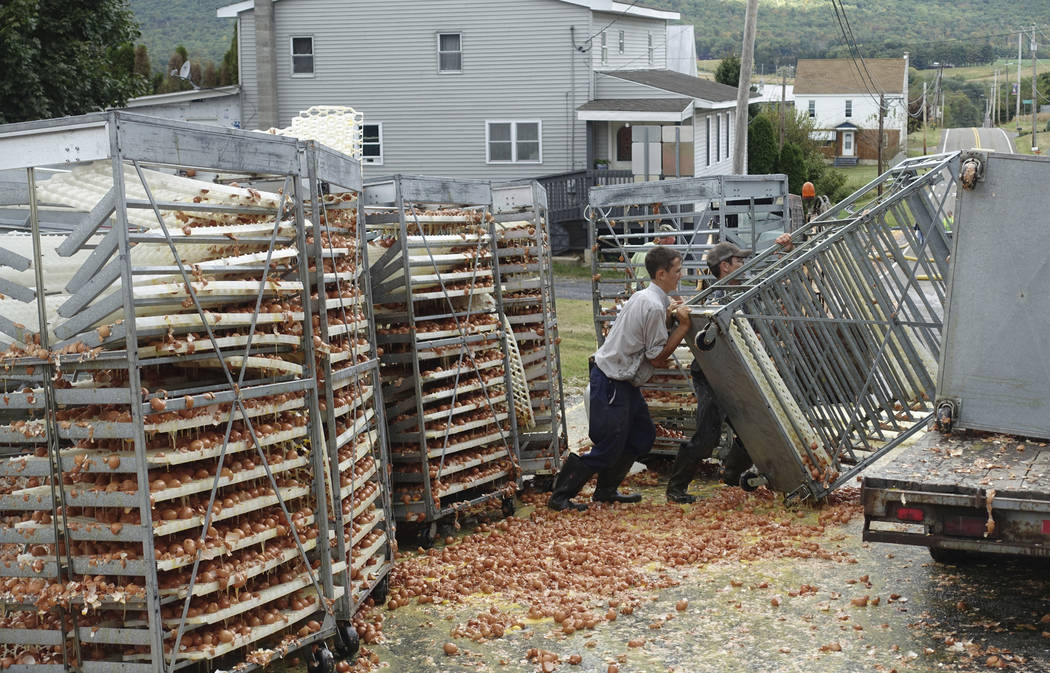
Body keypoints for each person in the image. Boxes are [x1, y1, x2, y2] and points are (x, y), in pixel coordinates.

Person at [549, 246, 692, 511]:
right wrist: (683, 327)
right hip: (613, 380)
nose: (681, 276)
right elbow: (657, 357)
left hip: (624, 381)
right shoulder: (651, 306)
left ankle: (606, 490)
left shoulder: (649, 298)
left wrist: (671, 313)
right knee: (610, 445)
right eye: (677, 271)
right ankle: (560, 496)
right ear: (661, 274)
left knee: (642, 435)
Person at [665, 233, 792, 503]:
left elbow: (775, 280)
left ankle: (732, 476)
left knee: (754, 430)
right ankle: (676, 488)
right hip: (711, 375)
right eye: (738, 261)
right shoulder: (716, 300)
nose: (742, 267)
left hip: (737, 374)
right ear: (725, 266)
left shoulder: (743, 291)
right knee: (707, 436)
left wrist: (784, 253)